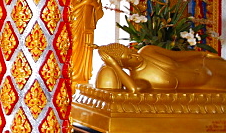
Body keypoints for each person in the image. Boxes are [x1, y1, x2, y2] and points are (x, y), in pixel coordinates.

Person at [96, 43, 226, 93]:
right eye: (129, 57)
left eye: (131, 51)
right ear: (124, 65)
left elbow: (178, 56)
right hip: (206, 84)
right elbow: (134, 90)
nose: (135, 55)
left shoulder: (148, 50)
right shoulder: (139, 79)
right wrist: (114, 65)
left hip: (203, 64)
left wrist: (202, 54)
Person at [69, 0, 104, 84]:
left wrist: (94, 5)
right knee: (73, 49)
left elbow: (100, 13)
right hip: (73, 27)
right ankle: (71, 77)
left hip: (87, 27)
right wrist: (83, 3)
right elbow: (63, 12)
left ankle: (82, 77)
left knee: (86, 49)